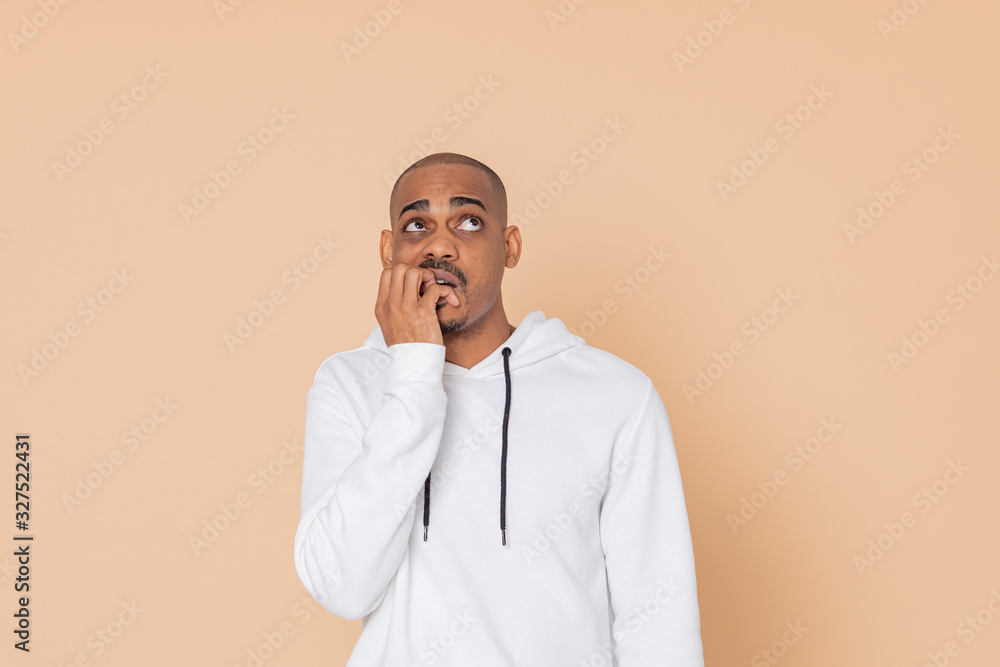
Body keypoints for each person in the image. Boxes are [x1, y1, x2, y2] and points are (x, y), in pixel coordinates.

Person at [293, 152, 704, 666]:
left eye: (469, 222)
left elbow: (658, 620)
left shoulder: (616, 395)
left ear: (509, 246)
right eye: (417, 225)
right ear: (388, 250)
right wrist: (415, 372)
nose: (440, 245)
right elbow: (342, 587)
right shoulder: (349, 384)